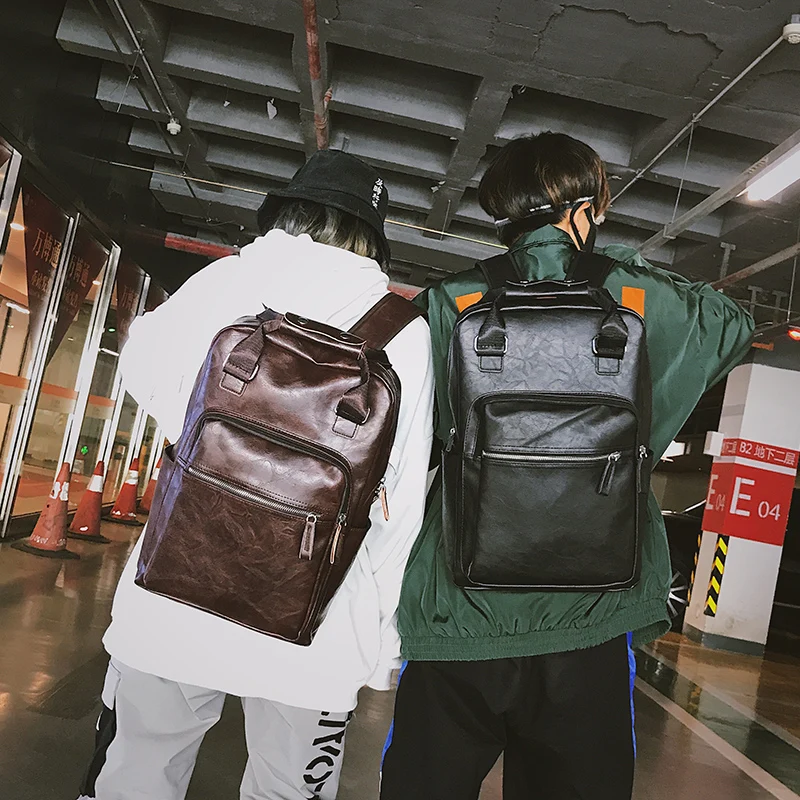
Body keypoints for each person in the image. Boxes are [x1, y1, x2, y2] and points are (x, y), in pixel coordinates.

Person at [380, 132, 754, 800]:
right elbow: (730, 323)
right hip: (591, 619)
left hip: (461, 612)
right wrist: (617, 263)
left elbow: (402, 436)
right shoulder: (637, 299)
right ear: (585, 209)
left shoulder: (448, 303)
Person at [78, 150, 434, 800]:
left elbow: (139, 365)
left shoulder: (227, 281)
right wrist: (382, 645)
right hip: (318, 619)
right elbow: (401, 503)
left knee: (136, 774)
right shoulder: (403, 331)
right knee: (288, 791)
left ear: (289, 210)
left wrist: (208, 441)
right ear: (370, 237)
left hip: (176, 587)